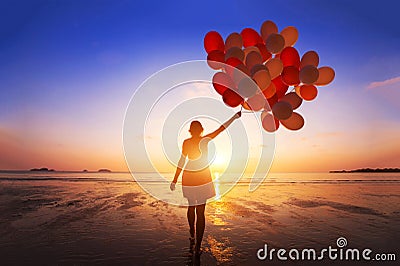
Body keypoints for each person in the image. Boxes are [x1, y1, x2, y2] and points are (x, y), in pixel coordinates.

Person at [170, 111, 241, 255]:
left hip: (190, 175)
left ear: (191, 131)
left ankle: (192, 232)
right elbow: (221, 129)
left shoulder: (187, 142)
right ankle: (197, 245)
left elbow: (182, 161)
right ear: (200, 130)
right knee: (200, 211)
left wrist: (175, 178)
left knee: (191, 207)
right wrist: (235, 117)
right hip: (201, 175)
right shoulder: (205, 139)